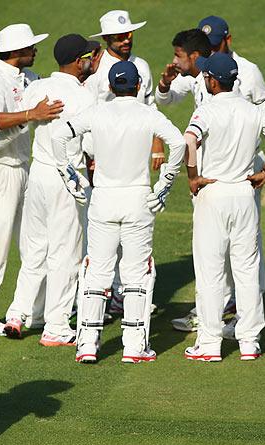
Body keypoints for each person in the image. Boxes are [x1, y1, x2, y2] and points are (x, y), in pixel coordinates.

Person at [52, 61, 186, 363]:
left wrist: (68, 174)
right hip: (138, 198)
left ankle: (87, 344)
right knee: (137, 273)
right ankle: (135, 346)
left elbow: (58, 136)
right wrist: (164, 183)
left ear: (111, 86)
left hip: (103, 199)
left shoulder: (98, 111)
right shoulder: (149, 114)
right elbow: (178, 143)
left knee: (96, 271)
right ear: (138, 85)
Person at [182, 53, 265, 361]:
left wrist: (193, 176)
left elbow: (188, 141)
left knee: (210, 272)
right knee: (246, 270)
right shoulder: (252, 110)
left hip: (214, 193)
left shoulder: (206, 110)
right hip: (245, 194)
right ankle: (249, 342)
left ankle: (209, 343)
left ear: (213, 81)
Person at [0, 24, 64, 335]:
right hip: (0, 169)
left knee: (34, 241)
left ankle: (34, 309)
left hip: (24, 167)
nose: (36, 51)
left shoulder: (29, 78)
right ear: (15, 52)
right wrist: (30, 115)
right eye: (30, 47)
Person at [3, 34, 96, 345]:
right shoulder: (85, 97)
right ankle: (56, 326)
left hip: (39, 176)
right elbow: (93, 146)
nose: (94, 59)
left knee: (35, 250)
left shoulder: (38, 88)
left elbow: (19, 121)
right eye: (90, 55)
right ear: (77, 61)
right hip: (67, 178)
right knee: (66, 254)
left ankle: (17, 313)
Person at [85, 9, 166, 316]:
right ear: (106, 39)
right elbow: (88, 116)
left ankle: (122, 295)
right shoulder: (96, 70)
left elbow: (149, 105)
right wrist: (90, 157)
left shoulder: (141, 66)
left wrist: (157, 144)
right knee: (105, 231)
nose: (126, 40)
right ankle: (103, 296)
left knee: (132, 230)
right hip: (104, 159)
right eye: (119, 37)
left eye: (129, 34)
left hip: (134, 154)